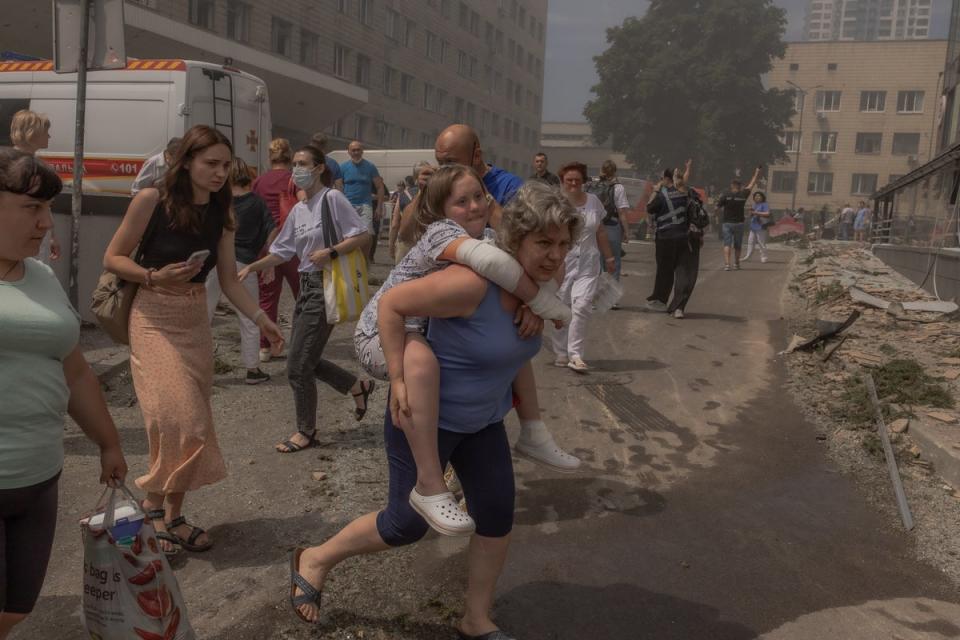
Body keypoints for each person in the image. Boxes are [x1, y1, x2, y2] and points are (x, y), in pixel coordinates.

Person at [287, 181, 582, 639]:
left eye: (563, 244)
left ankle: (476, 619)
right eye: (543, 242)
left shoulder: (538, 289)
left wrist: (537, 310)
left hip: (483, 423)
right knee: (404, 526)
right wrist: (400, 378)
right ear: (516, 238)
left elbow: (519, 349)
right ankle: (316, 557)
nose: (554, 255)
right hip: (425, 421)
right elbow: (391, 303)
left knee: (497, 514)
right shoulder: (470, 283)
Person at [354, 166, 572, 535]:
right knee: (420, 361)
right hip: (381, 331)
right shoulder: (442, 233)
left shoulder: (486, 235)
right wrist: (398, 378)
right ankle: (430, 485)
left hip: (416, 324)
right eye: (461, 201)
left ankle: (534, 431)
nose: (474, 206)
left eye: (479, 197)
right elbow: (495, 265)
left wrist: (528, 306)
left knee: (509, 341)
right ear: (440, 210)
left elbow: (509, 271)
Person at [103, 125, 283, 554]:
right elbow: (112, 257)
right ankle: (151, 506)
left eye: (226, 165)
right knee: (178, 419)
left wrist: (262, 320)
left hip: (193, 318)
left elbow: (227, 278)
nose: (221, 173)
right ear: (186, 162)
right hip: (151, 314)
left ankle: (173, 515)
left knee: (192, 423)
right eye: (211, 164)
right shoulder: (151, 201)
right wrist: (152, 275)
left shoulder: (223, 214)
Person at [0, 149, 128, 639]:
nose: (45, 224)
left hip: (38, 480)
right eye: (33, 209)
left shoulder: (43, 279)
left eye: (48, 209)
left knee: (15, 609)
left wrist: (109, 442)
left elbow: (76, 373)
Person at [426, 125, 580, 471]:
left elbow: (532, 243)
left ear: (476, 155)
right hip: (447, 299)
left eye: (449, 161)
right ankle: (433, 474)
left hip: (495, 296)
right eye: (438, 163)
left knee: (511, 346)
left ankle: (530, 432)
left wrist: (534, 301)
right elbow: (411, 234)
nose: (442, 170)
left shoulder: (508, 188)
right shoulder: (442, 186)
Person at [238, 145, 376, 454]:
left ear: (318, 168)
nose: (297, 169)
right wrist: (252, 267)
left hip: (324, 285)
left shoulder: (332, 198)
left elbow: (363, 235)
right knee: (304, 359)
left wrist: (331, 251)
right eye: (294, 164)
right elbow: (283, 250)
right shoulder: (300, 209)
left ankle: (306, 431)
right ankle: (357, 386)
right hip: (305, 287)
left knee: (298, 366)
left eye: (303, 163)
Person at [204, 157, 277, 384]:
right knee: (249, 318)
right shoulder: (257, 202)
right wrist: (268, 258)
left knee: (203, 315)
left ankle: (199, 369)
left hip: (214, 262)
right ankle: (252, 369)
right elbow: (272, 231)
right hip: (244, 264)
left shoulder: (218, 201)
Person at [552, 161, 616, 372]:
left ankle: (575, 355)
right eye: (569, 180)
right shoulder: (556, 204)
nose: (573, 184)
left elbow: (601, 232)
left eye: (577, 180)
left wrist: (609, 258)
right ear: (562, 182)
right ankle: (561, 351)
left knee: (581, 307)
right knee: (563, 308)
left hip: (589, 263)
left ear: (584, 182)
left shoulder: (594, 202)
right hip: (563, 263)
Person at [253, 138, 299, 363]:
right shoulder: (295, 180)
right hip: (293, 246)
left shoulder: (259, 181)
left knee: (268, 298)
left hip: (266, 247)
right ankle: (301, 345)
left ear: (269, 157)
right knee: (304, 296)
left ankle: (265, 347)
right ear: (290, 156)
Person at [645, 166, 701, 318]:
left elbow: (650, 208)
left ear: (665, 178)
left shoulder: (662, 196)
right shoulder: (688, 193)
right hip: (685, 238)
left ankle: (660, 301)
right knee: (683, 273)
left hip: (665, 238)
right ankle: (679, 308)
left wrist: (656, 190)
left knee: (665, 271)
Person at [10, 109, 59, 263]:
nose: (49, 136)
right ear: (33, 133)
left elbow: (44, 206)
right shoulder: (9, 165)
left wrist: (51, 236)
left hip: (35, 236)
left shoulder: (38, 165)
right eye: (46, 131)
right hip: (17, 235)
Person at [585, 159, 631, 283]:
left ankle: (595, 293)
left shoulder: (593, 186)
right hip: (612, 226)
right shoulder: (618, 188)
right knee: (613, 259)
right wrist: (626, 231)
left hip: (595, 226)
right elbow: (622, 212)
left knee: (597, 261)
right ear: (615, 172)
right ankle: (611, 296)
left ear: (602, 170)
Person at [340, 141, 385, 262]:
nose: (356, 152)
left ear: (362, 151)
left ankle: (365, 260)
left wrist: (379, 207)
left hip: (365, 205)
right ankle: (349, 261)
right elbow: (338, 187)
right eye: (353, 150)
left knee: (367, 234)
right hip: (348, 206)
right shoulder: (343, 167)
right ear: (348, 152)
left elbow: (380, 187)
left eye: (358, 150)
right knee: (347, 235)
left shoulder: (370, 167)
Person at [716, 167, 761, 271]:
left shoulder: (725, 195)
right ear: (740, 186)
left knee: (727, 244)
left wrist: (718, 216)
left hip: (727, 223)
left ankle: (727, 265)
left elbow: (716, 208)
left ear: (731, 185)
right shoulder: (743, 194)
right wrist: (757, 172)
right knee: (737, 244)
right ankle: (736, 264)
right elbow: (752, 184)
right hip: (739, 223)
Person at [392, 162, 435, 264]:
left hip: (406, 245)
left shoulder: (403, 195)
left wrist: (391, 246)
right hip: (429, 243)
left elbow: (395, 224)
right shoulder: (437, 194)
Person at [742, 191, 770, 263]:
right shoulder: (754, 205)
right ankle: (748, 256)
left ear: (762, 197)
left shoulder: (765, 204)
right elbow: (751, 215)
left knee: (761, 242)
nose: (757, 197)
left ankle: (764, 257)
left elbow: (767, 213)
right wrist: (750, 213)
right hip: (753, 225)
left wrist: (756, 212)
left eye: (759, 196)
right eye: (756, 196)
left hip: (761, 226)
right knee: (750, 242)